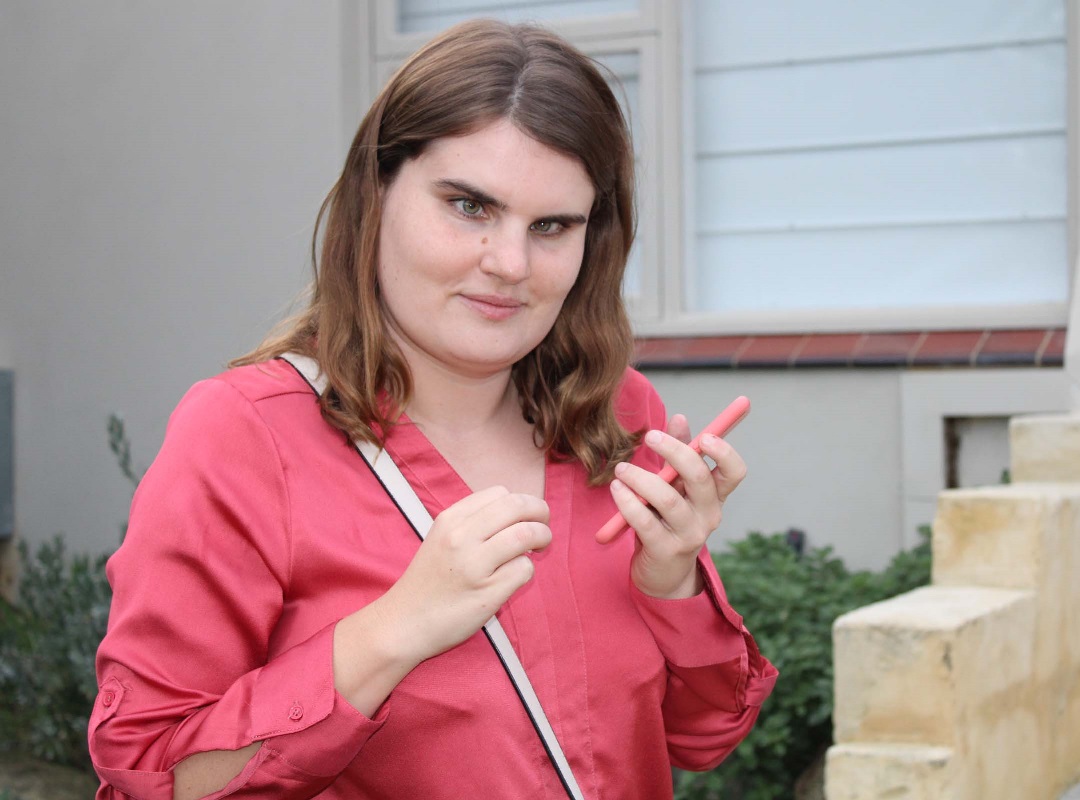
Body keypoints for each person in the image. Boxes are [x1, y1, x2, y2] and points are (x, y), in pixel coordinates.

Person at [88, 18, 777, 800]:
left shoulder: (615, 413)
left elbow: (703, 734)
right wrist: (393, 632)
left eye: (551, 226)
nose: (510, 265)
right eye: (469, 207)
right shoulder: (247, 434)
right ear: (375, 195)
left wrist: (669, 581)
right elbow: (153, 777)